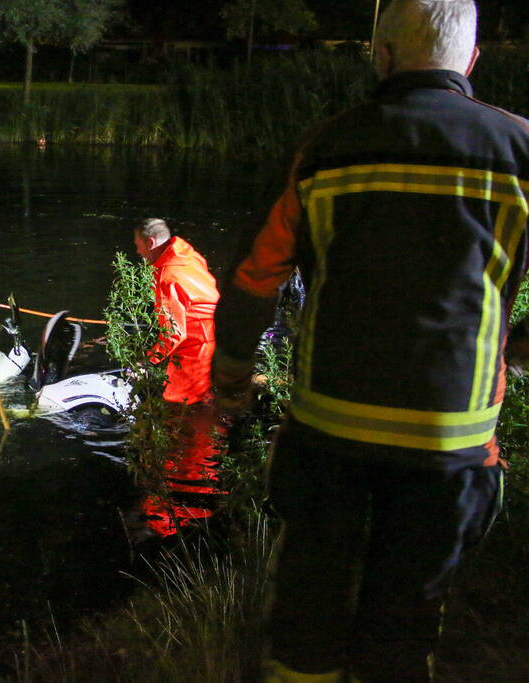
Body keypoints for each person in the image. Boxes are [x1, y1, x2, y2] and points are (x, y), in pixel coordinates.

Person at [211, 1, 528, 679]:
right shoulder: (521, 151)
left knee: (308, 617)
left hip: (329, 435)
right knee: (404, 626)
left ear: (380, 56)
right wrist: (516, 351)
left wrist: (231, 377)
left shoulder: (324, 149)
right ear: (471, 60)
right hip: (453, 446)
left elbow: (253, 279)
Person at [133, 218, 219, 405]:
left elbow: (173, 332)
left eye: (139, 246)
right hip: (218, 331)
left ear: (150, 243)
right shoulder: (188, 256)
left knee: (180, 400)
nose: (138, 252)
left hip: (197, 343)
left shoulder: (167, 276)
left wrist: (146, 362)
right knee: (205, 395)